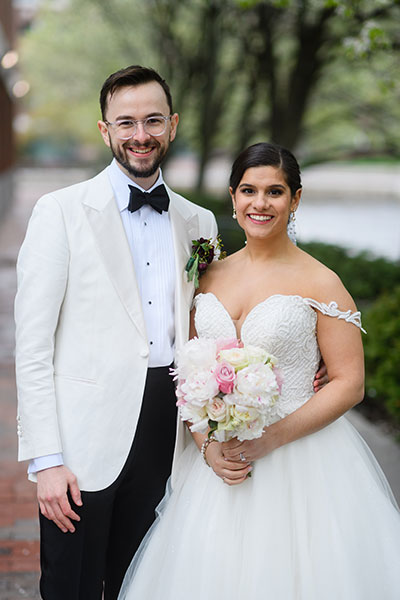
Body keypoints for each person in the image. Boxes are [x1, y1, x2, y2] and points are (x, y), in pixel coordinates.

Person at [118, 142, 400, 600]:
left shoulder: (321, 281)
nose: (260, 203)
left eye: (275, 191)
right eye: (249, 190)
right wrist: (207, 445)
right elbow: (190, 377)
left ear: (295, 199)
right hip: (221, 463)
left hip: (300, 459)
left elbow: (349, 384)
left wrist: (270, 438)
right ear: (232, 198)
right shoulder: (206, 275)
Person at [14, 65, 219, 599]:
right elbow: (32, 347)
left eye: (153, 120)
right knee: (71, 586)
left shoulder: (201, 224)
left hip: (168, 429)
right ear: (105, 130)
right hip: (83, 442)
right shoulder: (58, 211)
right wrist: (47, 461)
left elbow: (212, 326)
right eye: (125, 122)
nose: (141, 135)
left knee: (145, 582)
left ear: (172, 125)